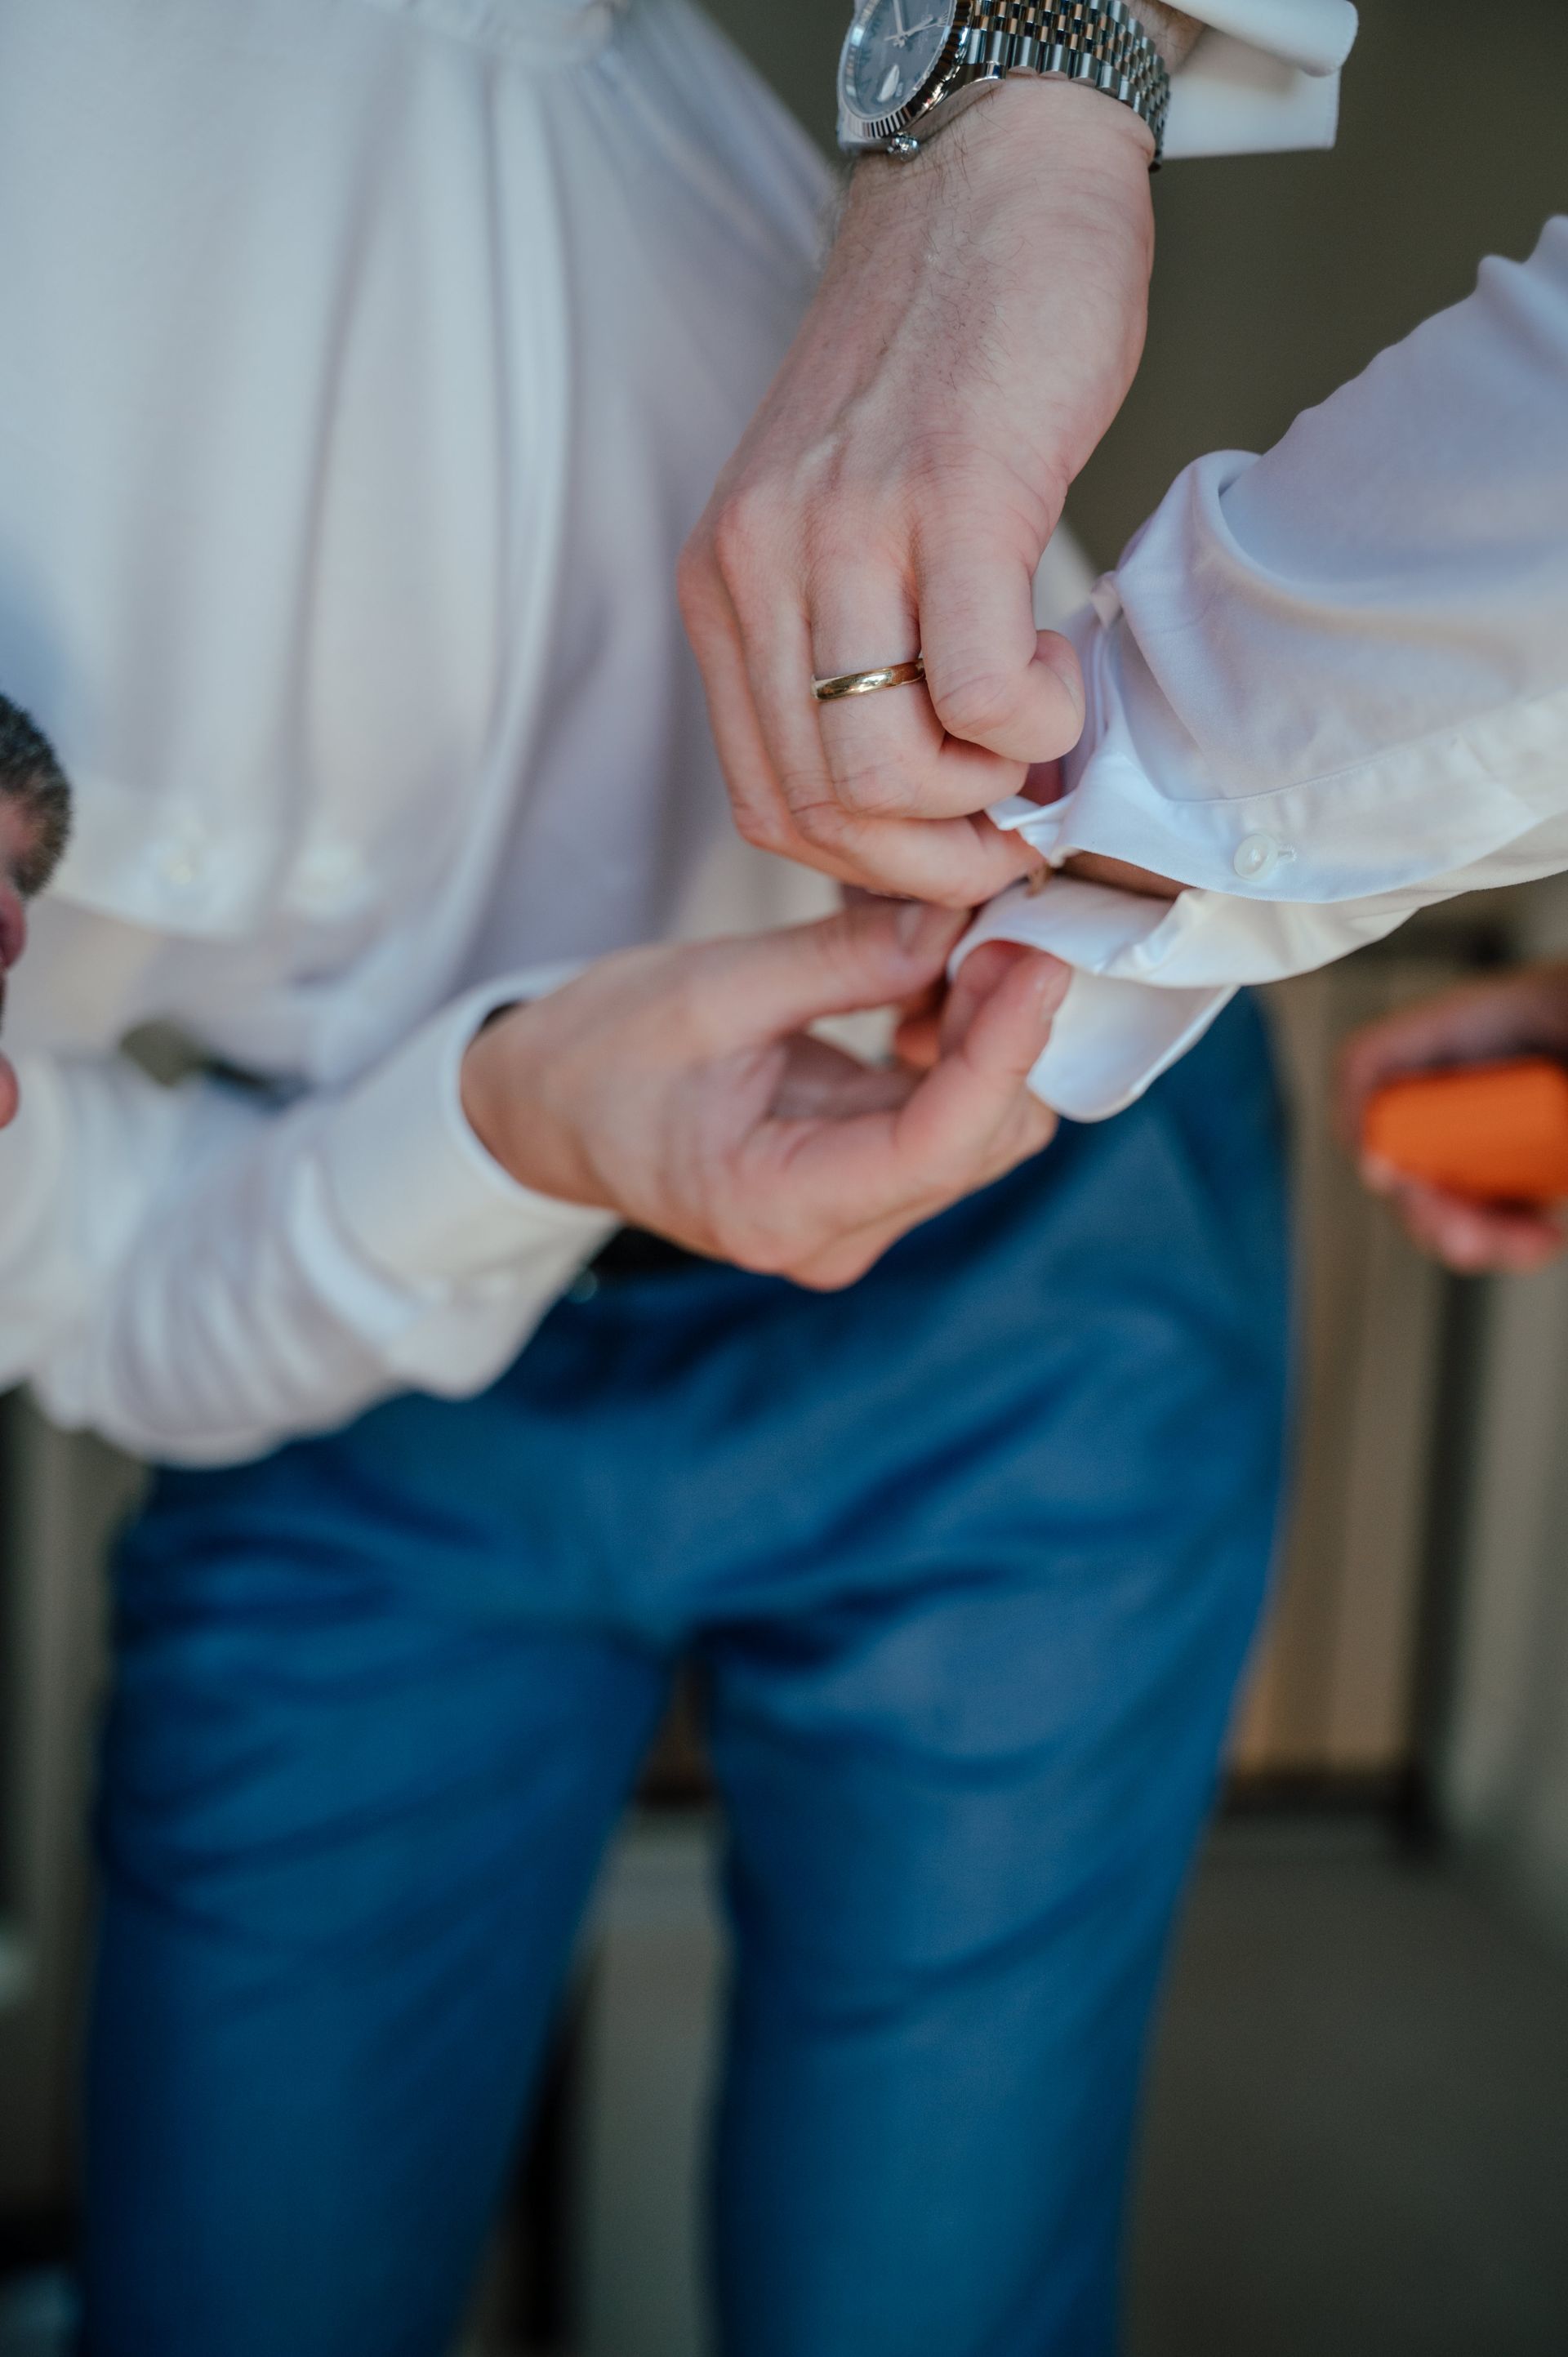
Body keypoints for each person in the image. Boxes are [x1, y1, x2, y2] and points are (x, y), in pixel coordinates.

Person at [0, 2, 1352, 2350]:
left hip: (1025, 1272)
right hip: (358, 1395)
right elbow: (97, 1276)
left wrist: (1041, 81)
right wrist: (503, 1129)